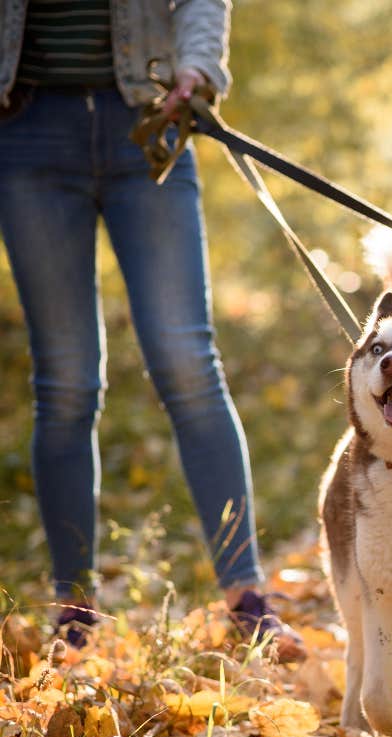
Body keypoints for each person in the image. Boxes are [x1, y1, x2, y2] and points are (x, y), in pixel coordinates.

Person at [0, 0, 305, 662]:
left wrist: (198, 66)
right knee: (66, 383)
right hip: (25, 132)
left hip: (149, 116)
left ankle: (247, 604)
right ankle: (72, 615)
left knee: (188, 362)